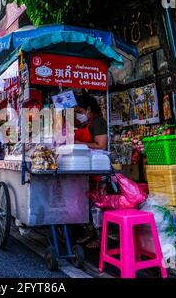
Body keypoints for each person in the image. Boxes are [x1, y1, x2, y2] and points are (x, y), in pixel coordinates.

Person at [74, 95, 108, 249]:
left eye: (80, 110)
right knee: (85, 202)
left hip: (96, 167)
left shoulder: (98, 122)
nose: (78, 113)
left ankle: (101, 238)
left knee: (97, 204)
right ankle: (90, 232)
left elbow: (101, 145)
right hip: (83, 167)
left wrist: (80, 144)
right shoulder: (85, 123)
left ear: (88, 109)